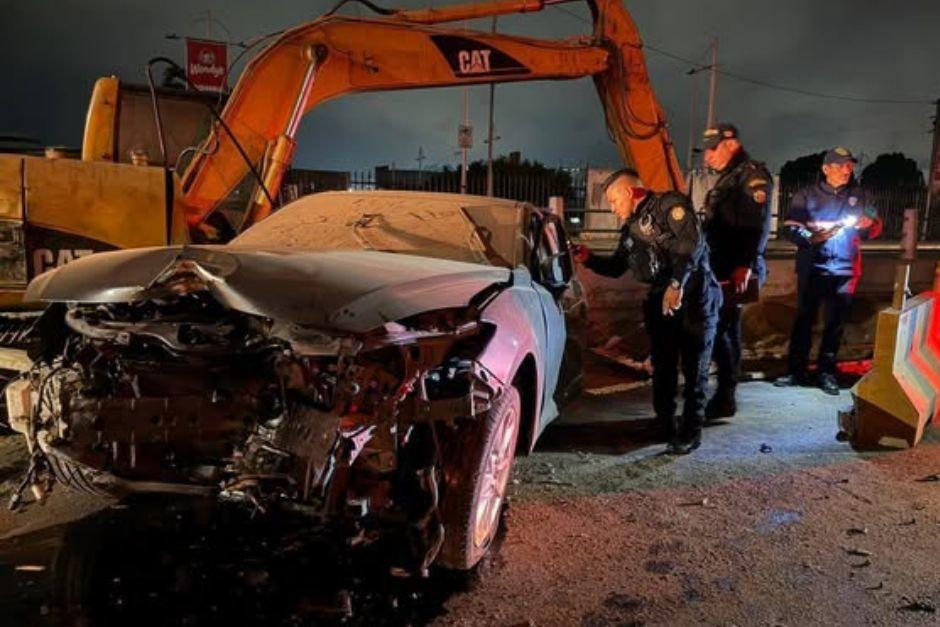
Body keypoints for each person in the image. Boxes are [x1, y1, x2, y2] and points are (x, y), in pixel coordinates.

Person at [572, 169, 721, 454]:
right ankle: (664, 423)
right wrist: (588, 258)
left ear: (629, 193)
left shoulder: (670, 207)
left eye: (615, 200)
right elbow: (617, 267)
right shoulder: (631, 230)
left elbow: (690, 245)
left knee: (694, 370)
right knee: (663, 368)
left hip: (694, 300)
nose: (613, 209)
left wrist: (677, 282)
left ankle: (691, 431)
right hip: (662, 303)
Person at [775, 147, 882, 394]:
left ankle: (826, 373)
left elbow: (874, 224)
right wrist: (811, 237)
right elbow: (790, 226)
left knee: (835, 324)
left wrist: (871, 223)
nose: (848, 170)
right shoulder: (806, 195)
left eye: (850, 165)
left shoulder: (861, 196)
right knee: (804, 320)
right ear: (826, 169)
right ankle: (795, 371)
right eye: (841, 165)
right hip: (812, 268)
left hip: (845, 270)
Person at [700, 123, 773, 419]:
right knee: (722, 328)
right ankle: (724, 392)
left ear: (731, 144)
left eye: (712, 149)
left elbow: (757, 224)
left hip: (735, 268)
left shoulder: (751, 175)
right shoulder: (730, 177)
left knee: (723, 330)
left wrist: (744, 264)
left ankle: (726, 395)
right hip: (722, 264)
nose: (707, 157)